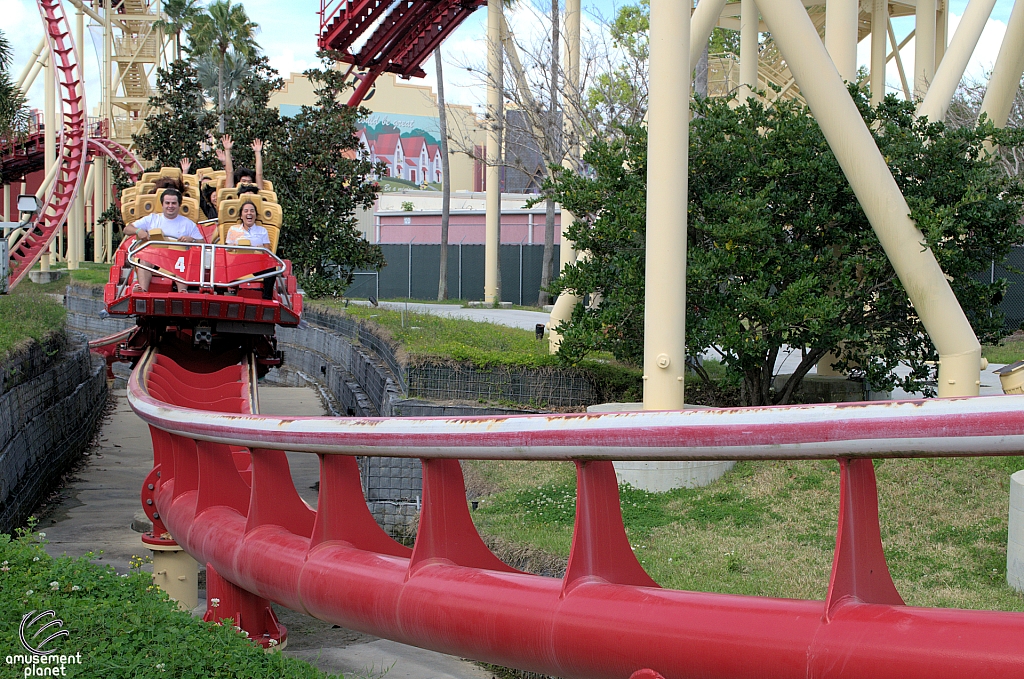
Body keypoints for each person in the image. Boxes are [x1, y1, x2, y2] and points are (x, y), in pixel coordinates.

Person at [124, 188, 203, 292]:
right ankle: (142, 291)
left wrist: (191, 240)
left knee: (184, 262)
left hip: (178, 259)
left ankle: (182, 292)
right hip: (156, 258)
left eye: (174, 203)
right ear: (162, 204)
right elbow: (127, 229)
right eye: (167, 203)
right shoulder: (152, 219)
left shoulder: (188, 224)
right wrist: (138, 231)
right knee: (145, 259)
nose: (170, 206)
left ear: (179, 205)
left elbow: (203, 244)